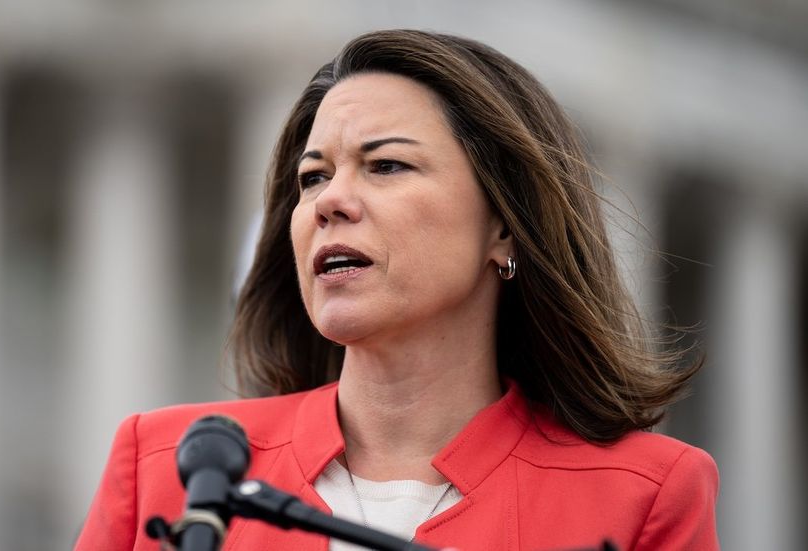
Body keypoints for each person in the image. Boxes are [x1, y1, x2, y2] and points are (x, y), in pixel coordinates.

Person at [75, 29, 719, 550]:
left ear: (504, 226)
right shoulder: (171, 467)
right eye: (312, 177)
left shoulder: (644, 494)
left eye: (386, 165)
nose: (330, 201)